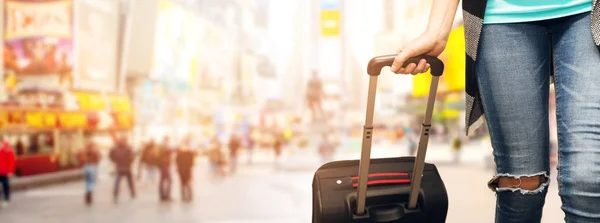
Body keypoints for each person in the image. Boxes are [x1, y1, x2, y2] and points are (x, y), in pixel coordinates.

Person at [390, 1, 600, 222]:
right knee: (522, 185)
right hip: (503, 14)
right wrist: (437, 29)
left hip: (589, 10)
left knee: (587, 180)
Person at [109, 137, 136, 203]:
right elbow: (132, 156)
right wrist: (130, 162)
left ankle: (115, 195)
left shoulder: (116, 148)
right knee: (130, 182)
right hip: (127, 167)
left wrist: (115, 161)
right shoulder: (128, 148)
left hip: (119, 168)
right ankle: (132, 193)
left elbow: (111, 155)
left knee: (117, 182)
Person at [79, 138, 101, 205]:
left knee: (87, 181)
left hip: (86, 167)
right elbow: (99, 157)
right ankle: (89, 192)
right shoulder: (95, 150)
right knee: (92, 181)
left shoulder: (83, 150)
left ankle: (87, 191)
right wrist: (96, 163)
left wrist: (83, 162)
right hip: (93, 166)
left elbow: (78, 156)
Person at [0, 140, 16, 208]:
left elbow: (11, 161)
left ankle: (6, 199)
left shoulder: (7, 150)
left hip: (5, 172)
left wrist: (10, 171)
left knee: (5, 186)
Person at [157, 137, 173, 202]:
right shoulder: (163, 148)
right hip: (164, 166)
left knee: (163, 180)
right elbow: (166, 153)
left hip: (164, 166)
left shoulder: (161, 148)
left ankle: (163, 195)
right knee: (169, 180)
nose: (167, 143)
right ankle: (166, 195)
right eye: (167, 141)